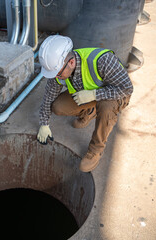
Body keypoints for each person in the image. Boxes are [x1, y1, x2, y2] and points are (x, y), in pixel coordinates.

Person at [37, 35, 133, 172]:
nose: (56, 77)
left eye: (57, 74)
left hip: (115, 95)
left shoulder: (102, 61)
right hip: (87, 97)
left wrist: (94, 95)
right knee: (58, 107)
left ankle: (96, 150)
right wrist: (44, 123)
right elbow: (48, 96)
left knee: (106, 107)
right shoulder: (59, 69)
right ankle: (90, 112)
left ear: (70, 62)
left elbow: (127, 88)